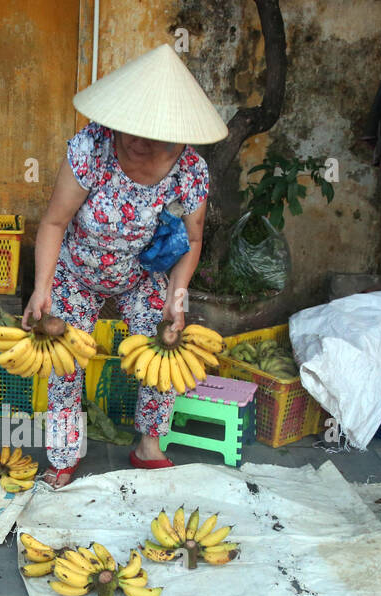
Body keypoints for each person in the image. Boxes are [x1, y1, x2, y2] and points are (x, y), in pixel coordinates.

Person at [22, 44, 227, 488]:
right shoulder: (91, 148)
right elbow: (55, 222)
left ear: (176, 136)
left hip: (141, 275)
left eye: (150, 135)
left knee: (165, 345)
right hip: (77, 271)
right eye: (127, 130)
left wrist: (177, 298)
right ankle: (63, 453)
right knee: (64, 362)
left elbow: (191, 239)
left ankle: (149, 443)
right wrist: (43, 289)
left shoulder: (189, 170)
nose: (135, 141)